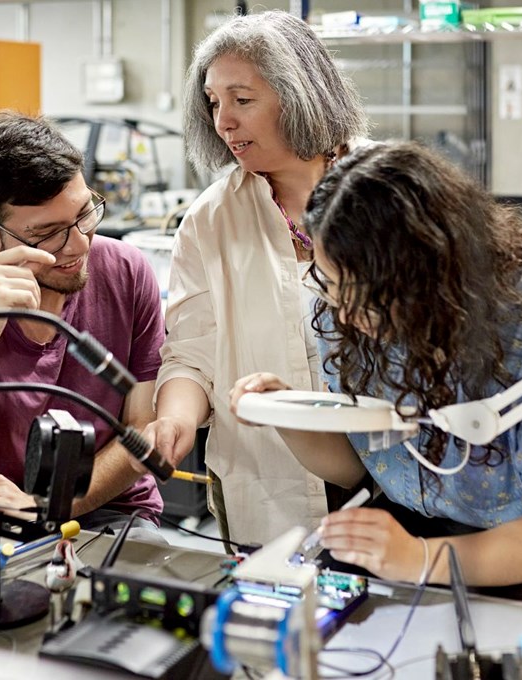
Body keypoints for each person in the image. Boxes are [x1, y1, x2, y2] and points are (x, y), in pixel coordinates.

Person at [231, 142, 522, 617]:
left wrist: (420, 559)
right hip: (421, 527)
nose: (343, 311)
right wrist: (288, 414)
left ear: (425, 272)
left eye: (363, 293)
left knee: (464, 629)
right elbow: (360, 467)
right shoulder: (338, 312)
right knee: (322, 612)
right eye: (331, 284)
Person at [146, 10, 369, 546]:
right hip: (267, 487)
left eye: (242, 100)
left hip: (390, 482)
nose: (223, 121)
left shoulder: (387, 191)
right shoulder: (211, 219)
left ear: (302, 96)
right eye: (214, 103)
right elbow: (192, 352)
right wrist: (174, 422)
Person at [0, 111, 166, 544]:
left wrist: (45, 506)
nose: (79, 245)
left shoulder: (126, 271)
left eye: (86, 214)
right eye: (47, 233)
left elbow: (142, 430)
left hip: (111, 511)